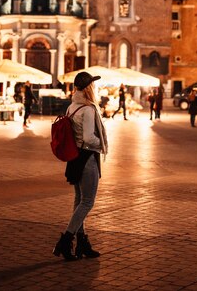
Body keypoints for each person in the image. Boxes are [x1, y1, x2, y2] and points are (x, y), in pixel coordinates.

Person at [53, 71, 108, 261]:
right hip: (87, 158)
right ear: (88, 88)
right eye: (93, 84)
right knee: (87, 202)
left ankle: (82, 242)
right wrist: (102, 144)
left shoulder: (72, 106)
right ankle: (66, 240)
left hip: (74, 157)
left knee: (79, 200)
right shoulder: (89, 109)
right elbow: (88, 138)